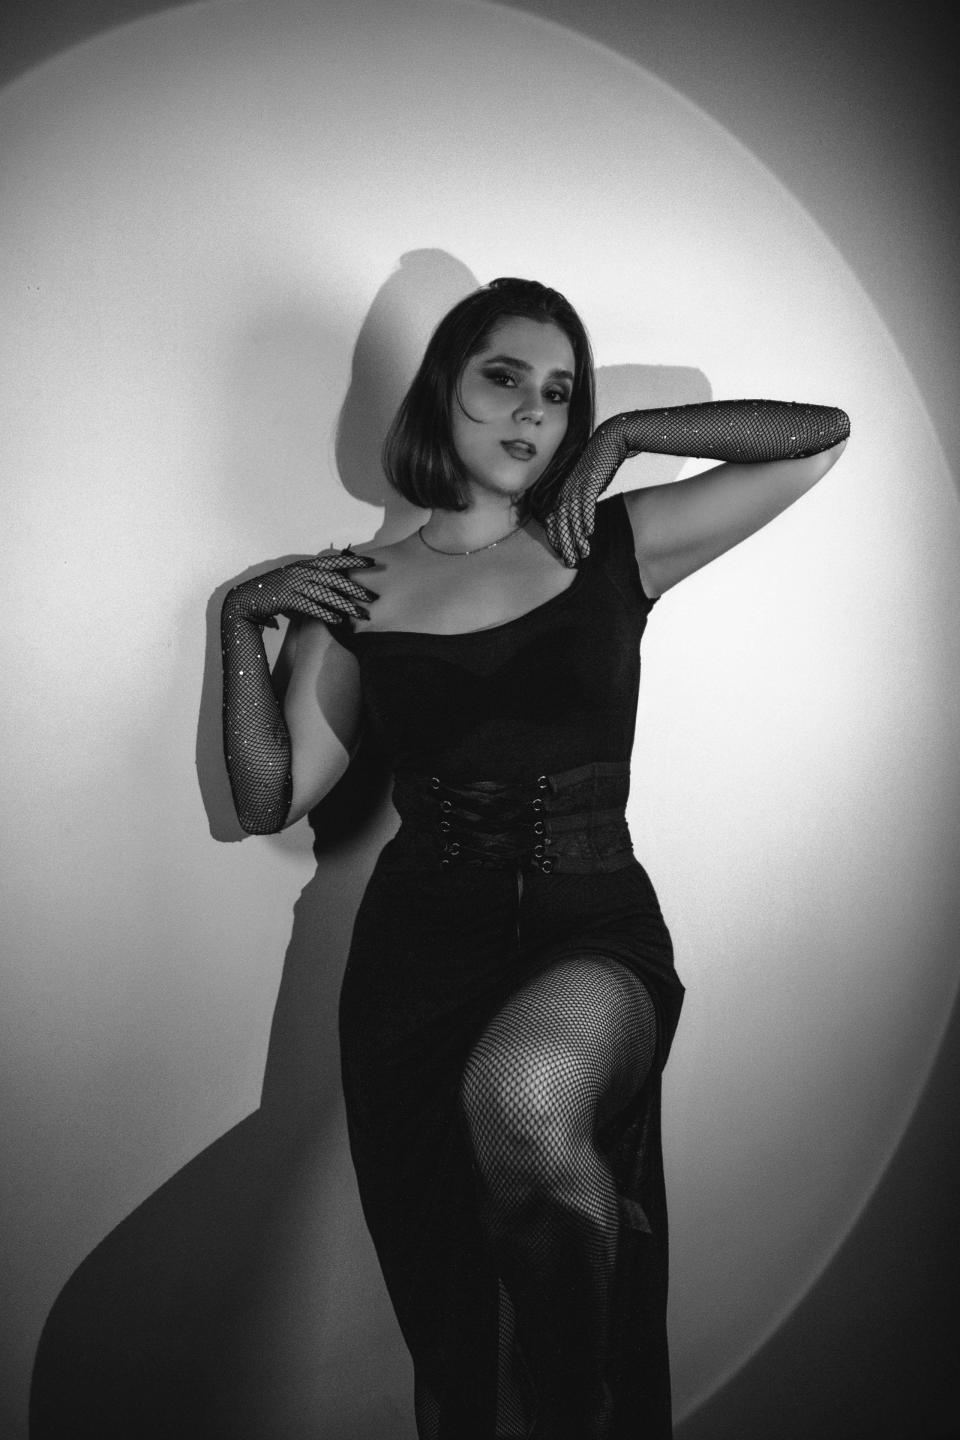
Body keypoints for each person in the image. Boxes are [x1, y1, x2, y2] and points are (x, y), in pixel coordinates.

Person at [219, 277, 849, 1440]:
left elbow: (819, 438)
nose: (532, 412)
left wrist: (629, 435)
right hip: (416, 962)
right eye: (504, 378)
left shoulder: (607, 542)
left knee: (523, 1096)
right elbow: (272, 798)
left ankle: (582, 1412)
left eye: (559, 394)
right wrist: (241, 624)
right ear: (441, 391)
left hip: (590, 924)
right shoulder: (358, 592)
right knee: (455, 1307)